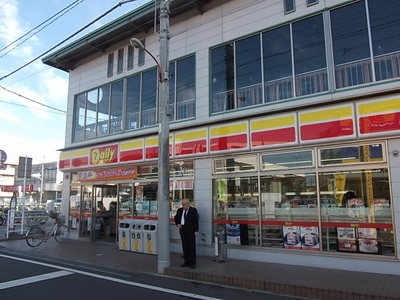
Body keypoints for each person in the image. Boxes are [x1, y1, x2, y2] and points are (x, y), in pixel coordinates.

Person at [174, 199, 199, 269]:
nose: (184, 206)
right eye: (183, 204)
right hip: (183, 229)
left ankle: (192, 263)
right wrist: (177, 224)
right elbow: (176, 218)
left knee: (191, 246)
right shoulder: (180, 210)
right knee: (185, 246)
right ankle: (186, 261)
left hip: (190, 230)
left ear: (188, 204)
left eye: (185, 204)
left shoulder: (193, 210)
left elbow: (196, 221)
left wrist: (196, 230)